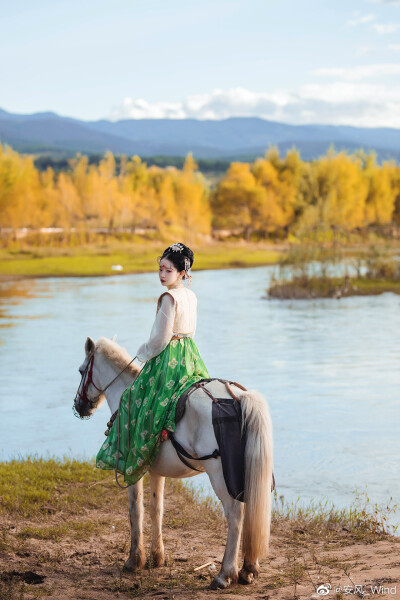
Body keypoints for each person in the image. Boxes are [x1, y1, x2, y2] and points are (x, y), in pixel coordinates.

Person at [96, 242, 209, 485]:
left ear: (181, 272)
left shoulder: (169, 297)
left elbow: (159, 340)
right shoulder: (190, 296)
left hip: (168, 358)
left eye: (168, 270)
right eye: (160, 269)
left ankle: (135, 455)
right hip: (189, 354)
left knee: (133, 398)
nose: (162, 275)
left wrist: (142, 352)